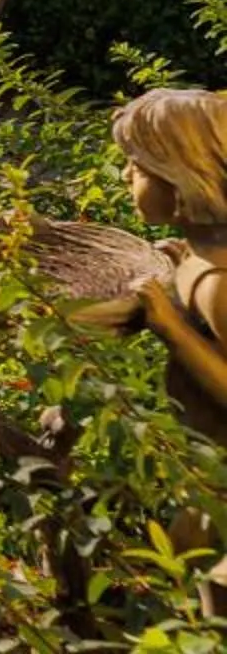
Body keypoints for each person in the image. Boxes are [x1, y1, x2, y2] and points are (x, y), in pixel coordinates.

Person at [113, 87, 227, 438]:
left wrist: (173, 330)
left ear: (182, 177)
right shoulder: (204, 251)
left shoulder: (218, 284)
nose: (123, 176)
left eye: (137, 165)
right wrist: (184, 265)